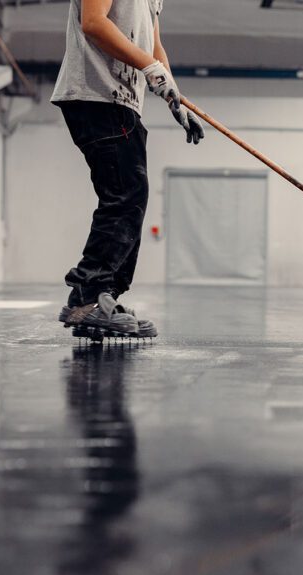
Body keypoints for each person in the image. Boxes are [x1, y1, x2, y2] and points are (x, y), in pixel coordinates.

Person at [53, 0, 204, 339]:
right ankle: (87, 298)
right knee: (124, 195)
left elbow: (153, 43)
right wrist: (151, 68)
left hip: (122, 100)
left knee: (132, 196)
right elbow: (93, 22)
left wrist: (174, 98)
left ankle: (105, 297)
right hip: (95, 95)